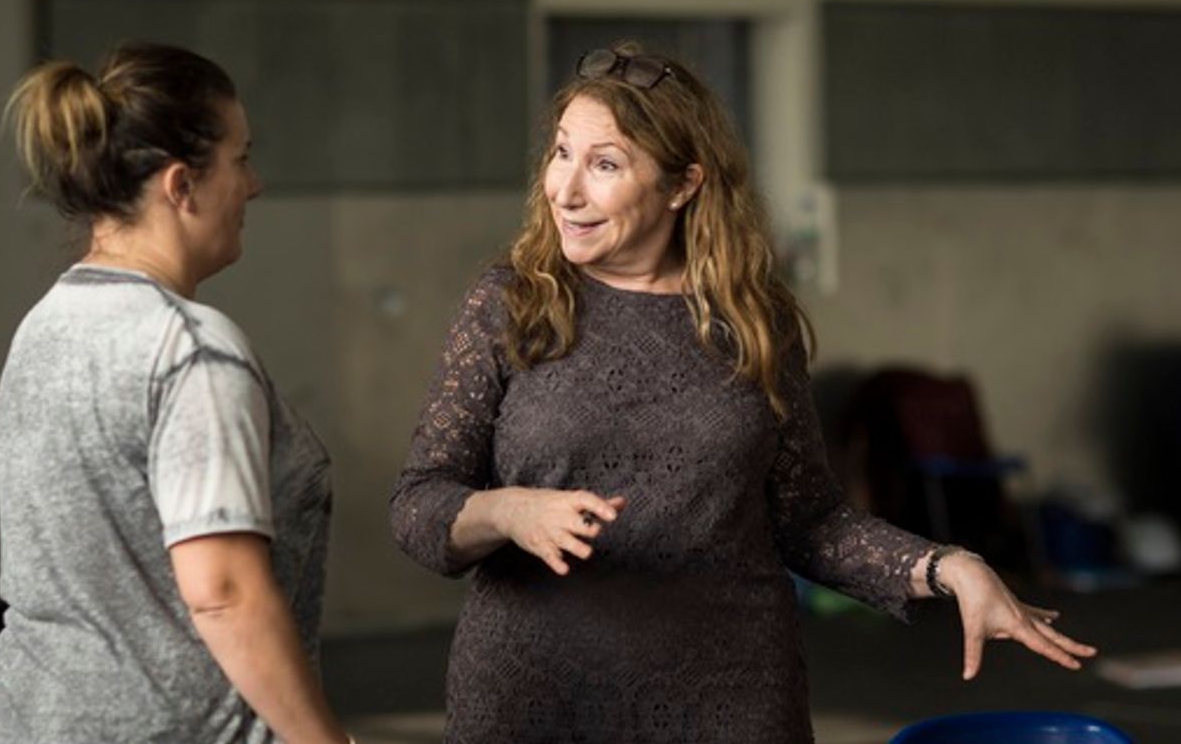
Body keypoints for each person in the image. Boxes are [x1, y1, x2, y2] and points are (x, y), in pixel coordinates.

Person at [389, 44, 1096, 743]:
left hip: (729, 696)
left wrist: (948, 567)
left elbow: (808, 520)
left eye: (604, 164)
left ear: (683, 184)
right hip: (534, 697)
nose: (565, 189)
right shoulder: (511, 304)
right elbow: (419, 502)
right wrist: (506, 510)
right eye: (561, 153)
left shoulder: (753, 319)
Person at [0, 43, 351, 744]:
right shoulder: (191, 349)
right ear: (182, 186)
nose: (255, 184)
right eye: (240, 160)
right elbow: (225, 591)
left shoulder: (45, 325)